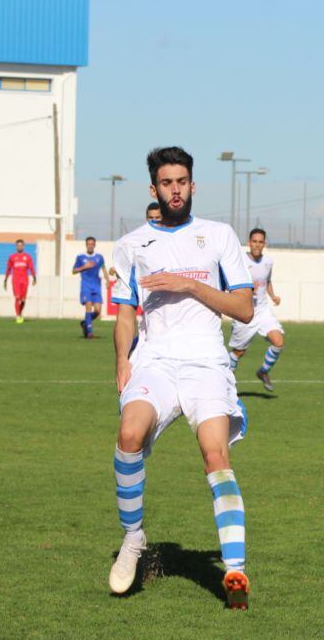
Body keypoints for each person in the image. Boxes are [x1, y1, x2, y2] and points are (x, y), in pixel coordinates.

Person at [107, 146, 255, 609]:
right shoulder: (132, 245)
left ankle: (234, 572)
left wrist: (189, 284)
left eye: (182, 181)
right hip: (154, 361)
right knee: (129, 436)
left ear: (193, 185)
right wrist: (121, 359)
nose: (175, 190)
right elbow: (126, 314)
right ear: (154, 188)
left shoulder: (218, 236)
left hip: (207, 363)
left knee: (215, 454)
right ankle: (134, 539)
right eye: (167, 183)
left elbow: (245, 308)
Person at [228, 228, 285, 391]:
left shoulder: (268, 262)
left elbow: (267, 280)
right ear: (249, 243)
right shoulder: (240, 261)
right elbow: (230, 282)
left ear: (264, 244)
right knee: (239, 352)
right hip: (245, 311)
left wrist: (273, 296)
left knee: (278, 342)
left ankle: (263, 371)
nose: (257, 245)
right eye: (254, 241)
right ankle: (225, 379)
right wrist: (245, 289)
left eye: (260, 242)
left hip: (262, 309)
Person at [73, 237, 112, 339]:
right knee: (88, 305)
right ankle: (89, 332)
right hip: (86, 285)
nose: (90, 245)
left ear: (94, 245)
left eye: (92, 244)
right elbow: (74, 271)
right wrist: (84, 267)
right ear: (86, 245)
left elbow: (103, 269)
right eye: (88, 244)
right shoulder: (80, 257)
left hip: (96, 286)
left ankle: (85, 322)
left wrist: (107, 281)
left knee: (98, 311)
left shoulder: (99, 257)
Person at [4, 239, 36, 324]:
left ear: (23, 246)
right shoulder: (12, 257)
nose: (19, 247)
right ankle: (18, 316)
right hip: (16, 281)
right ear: (16, 246)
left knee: (23, 300)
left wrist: (34, 277)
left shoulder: (28, 257)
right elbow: (8, 269)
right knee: (17, 298)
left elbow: (31, 268)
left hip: (25, 280)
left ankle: (20, 313)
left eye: (21, 245)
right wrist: (6, 279)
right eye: (18, 245)